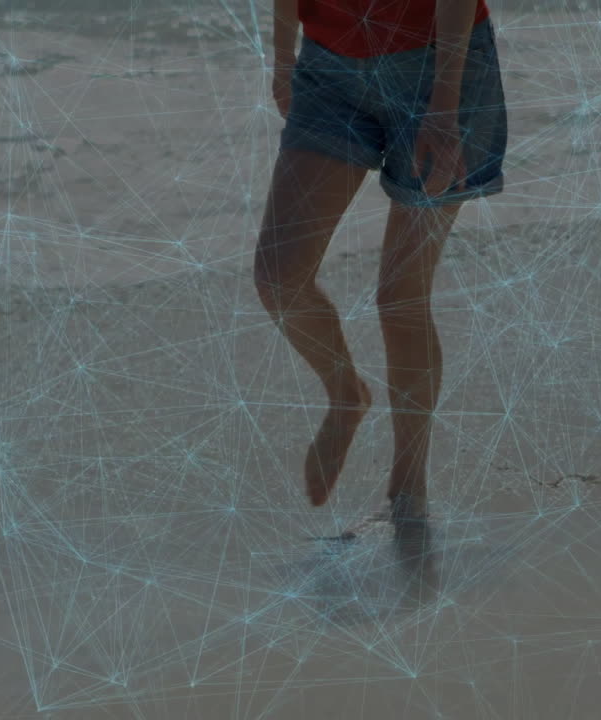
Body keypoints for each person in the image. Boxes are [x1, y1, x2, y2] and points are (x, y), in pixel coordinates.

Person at [253, 0, 507, 531]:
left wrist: (444, 107)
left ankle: (408, 488)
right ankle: (345, 394)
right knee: (279, 277)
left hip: (439, 67)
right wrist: (282, 61)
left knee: (401, 296)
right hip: (328, 69)